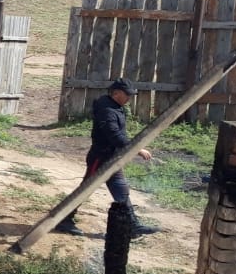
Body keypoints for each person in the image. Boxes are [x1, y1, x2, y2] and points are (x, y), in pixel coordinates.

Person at [53, 77, 159, 237]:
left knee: (121, 190)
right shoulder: (107, 110)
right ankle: (64, 220)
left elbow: (119, 134)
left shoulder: (116, 107)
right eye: (127, 95)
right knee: (85, 190)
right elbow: (114, 135)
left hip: (112, 158)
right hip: (100, 158)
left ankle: (132, 225)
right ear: (116, 93)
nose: (130, 98)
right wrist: (137, 149)